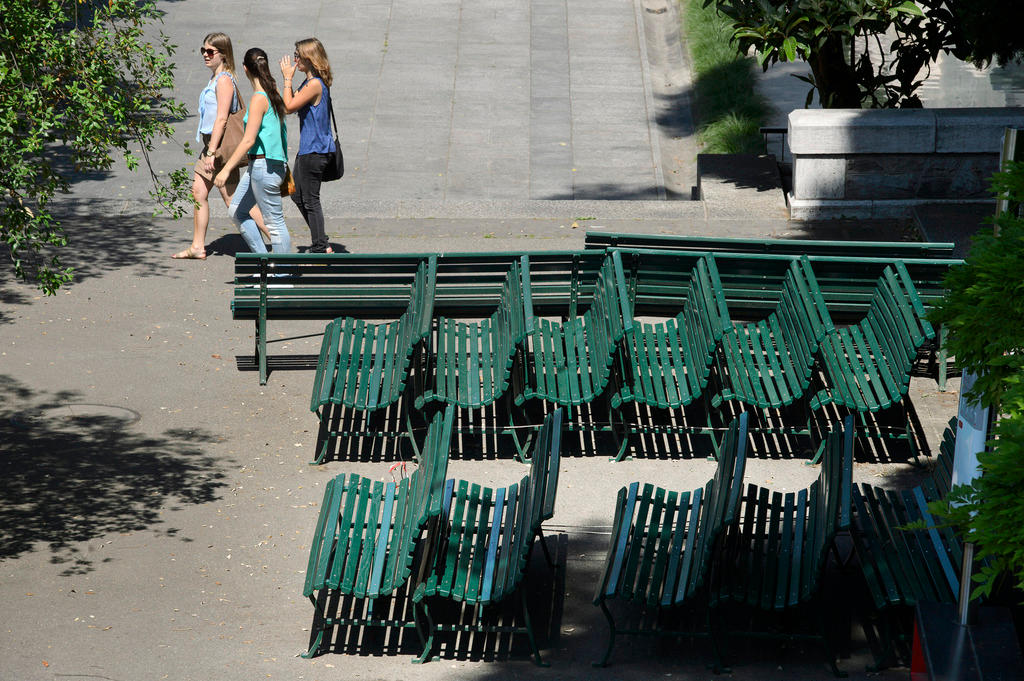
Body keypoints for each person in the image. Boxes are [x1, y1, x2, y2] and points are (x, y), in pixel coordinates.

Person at [173, 32, 268, 260]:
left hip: (220, 148)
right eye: (203, 50)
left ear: (223, 55)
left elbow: (222, 119)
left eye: (210, 51)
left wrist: (212, 152)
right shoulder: (217, 78)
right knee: (198, 191)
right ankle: (197, 246)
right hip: (212, 145)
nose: (205, 55)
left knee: (234, 201)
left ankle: (276, 238)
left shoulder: (224, 80)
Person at [215, 47, 291, 254]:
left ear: (245, 69)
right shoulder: (271, 93)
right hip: (261, 166)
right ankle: (263, 262)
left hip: (264, 166)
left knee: (275, 224)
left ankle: (283, 277)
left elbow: (248, 140)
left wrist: (226, 169)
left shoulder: (259, 98)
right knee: (237, 211)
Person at [279, 38, 336, 254]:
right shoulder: (310, 82)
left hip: (315, 150)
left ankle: (320, 247)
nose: (294, 59)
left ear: (309, 58)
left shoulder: (314, 84)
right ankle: (321, 239)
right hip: (310, 149)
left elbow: (288, 107)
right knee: (296, 194)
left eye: (297, 55)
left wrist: (286, 79)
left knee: (311, 199)